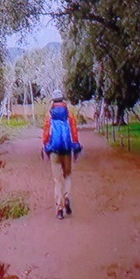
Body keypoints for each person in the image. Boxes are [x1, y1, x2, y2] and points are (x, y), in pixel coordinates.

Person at [42, 89, 82, 220]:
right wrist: (76, 148)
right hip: (66, 150)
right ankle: (67, 198)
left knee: (57, 180)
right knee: (67, 176)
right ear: (63, 100)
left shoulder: (50, 115)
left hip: (54, 151)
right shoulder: (69, 115)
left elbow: (46, 134)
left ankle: (59, 209)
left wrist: (45, 148)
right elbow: (74, 133)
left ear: (53, 101)